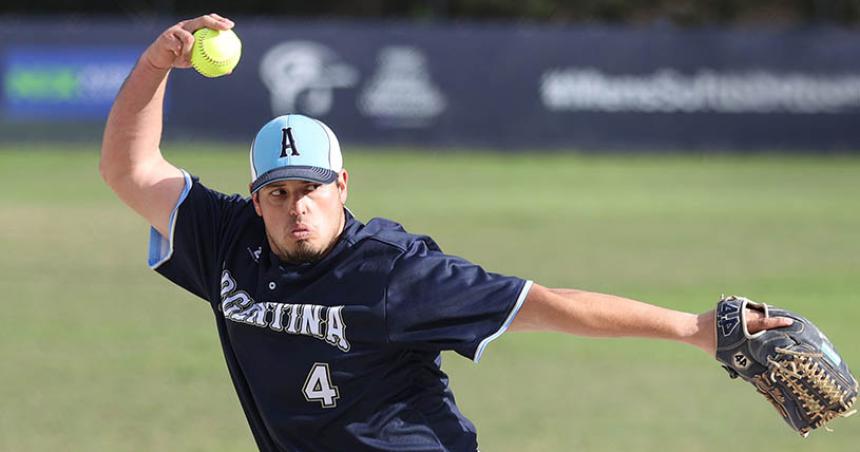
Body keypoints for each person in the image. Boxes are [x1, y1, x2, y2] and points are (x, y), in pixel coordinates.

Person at [100, 14, 793, 452]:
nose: (295, 206)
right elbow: (128, 167)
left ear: (343, 186)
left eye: (310, 188)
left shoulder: (396, 273)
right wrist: (157, 65)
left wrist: (694, 329)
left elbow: (547, 304)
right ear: (256, 201)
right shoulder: (227, 241)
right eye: (277, 194)